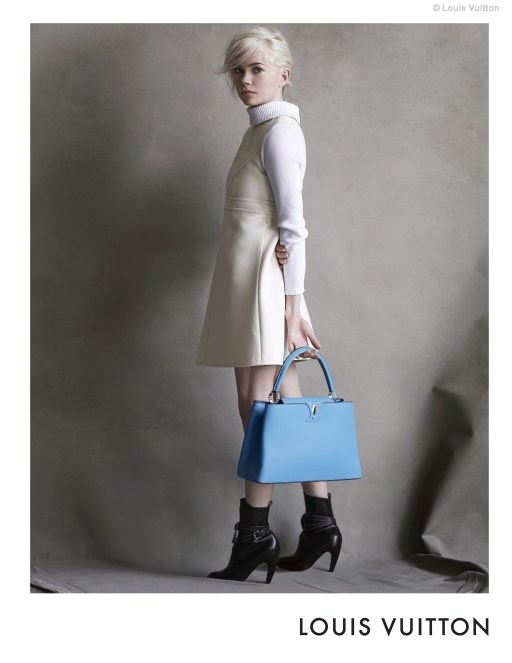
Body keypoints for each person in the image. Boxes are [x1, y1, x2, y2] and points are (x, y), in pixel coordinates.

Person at [195, 25, 341, 583]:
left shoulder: (280, 132)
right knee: (282, 404)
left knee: (258, 407)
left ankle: (254, 536)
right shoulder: (258, 130)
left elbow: (294, 227)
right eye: (238, 69)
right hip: (248, 281)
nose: (245, 79)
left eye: (257, 69)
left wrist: (292, 306)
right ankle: (320, 521)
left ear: (285, 74)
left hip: (263, 286)